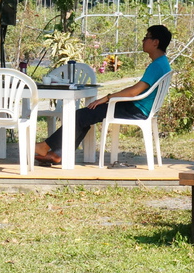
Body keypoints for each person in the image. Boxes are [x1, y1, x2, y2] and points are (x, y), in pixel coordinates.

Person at [33, 25, 172, 167]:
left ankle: (46, 147)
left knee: (81, 116)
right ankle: (57, 154)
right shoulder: (162, 63)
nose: (143, 40)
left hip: (136, 109)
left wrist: (107, 98)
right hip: (138, 107)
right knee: (85, 115)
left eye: (146, 37)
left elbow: (134, 91)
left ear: (156, 42)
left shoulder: (157, 65)